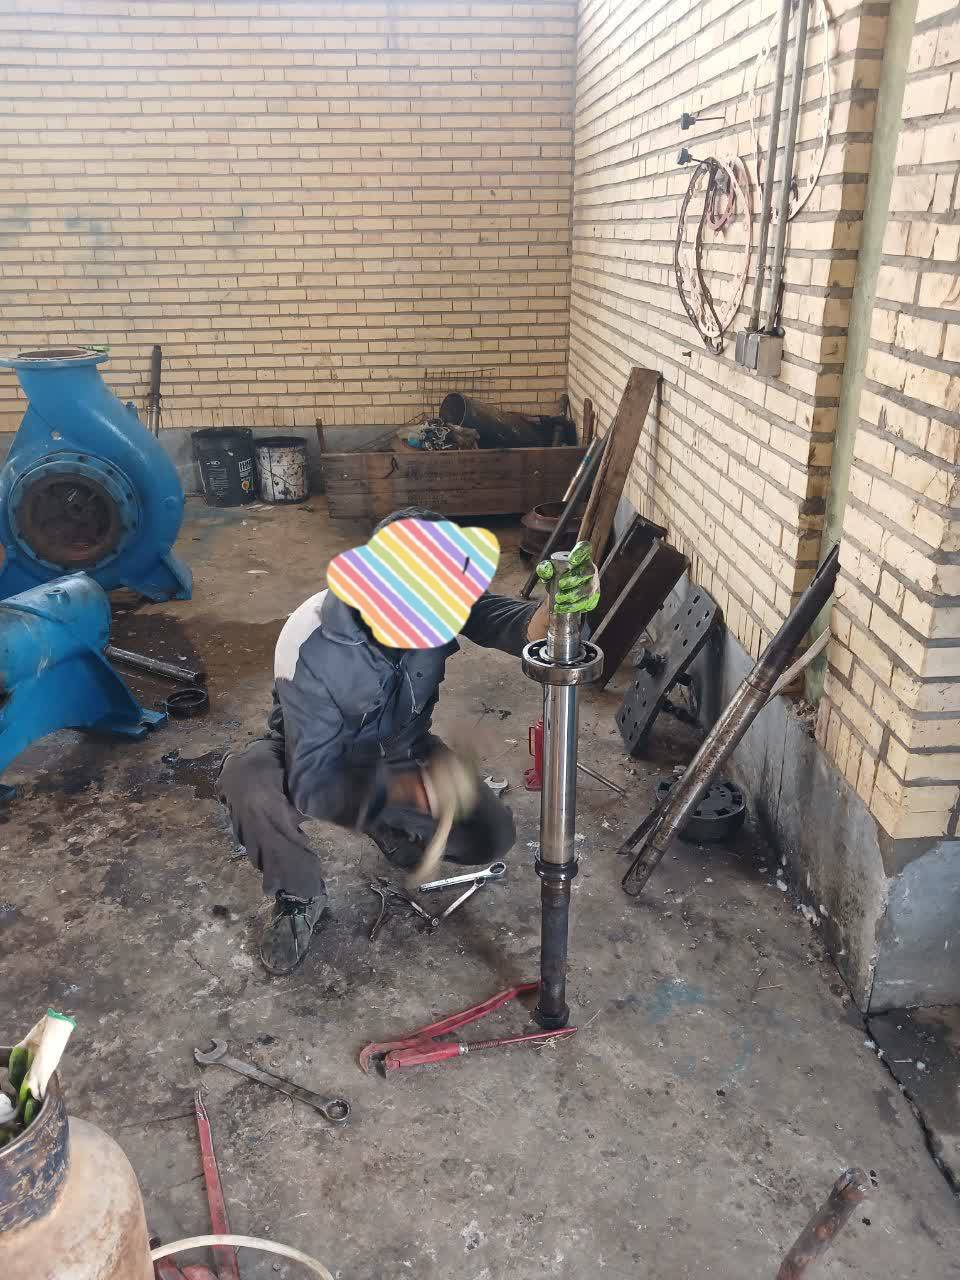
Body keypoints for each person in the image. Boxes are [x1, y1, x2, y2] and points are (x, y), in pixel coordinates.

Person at [218, 508, 599, 975]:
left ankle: (388, 827)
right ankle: (299, 895)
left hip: (402, 750)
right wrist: (408, 793)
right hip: (319, 759)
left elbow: (515, 626)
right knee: (251, 781)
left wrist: (557, 609)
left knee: (488, 837)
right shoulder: (309, 641)